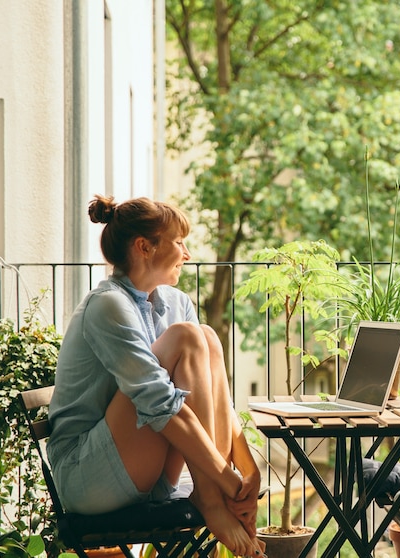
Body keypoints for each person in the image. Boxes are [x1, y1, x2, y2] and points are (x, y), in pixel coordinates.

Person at [47, 195, 264, 557]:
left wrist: (248, 472)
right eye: (179, 242)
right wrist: (226, 484)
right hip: (88, 477)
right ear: (144, 247)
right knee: (188, 337)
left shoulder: (176, 303)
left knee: (206, 337)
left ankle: (213, 495)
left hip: (142, 465)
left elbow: (211, 398)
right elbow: (159, 404)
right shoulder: (108, 305)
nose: (187, 253)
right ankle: (210, 500)